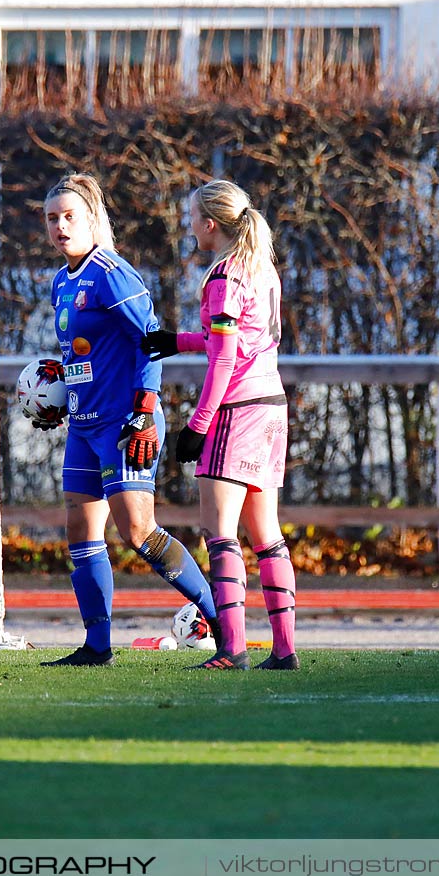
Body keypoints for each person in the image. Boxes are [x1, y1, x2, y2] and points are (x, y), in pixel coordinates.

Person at [36, 173, 220, 667]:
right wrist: (59, 390)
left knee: (138, 532)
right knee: (79, 528)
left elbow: (151, 339)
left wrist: (144, 410)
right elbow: (87, 354)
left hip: (125, 421)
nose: (60, 226)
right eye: (52, 218)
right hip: (83, 425)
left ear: (93, 220)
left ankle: (223, 621)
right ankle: (98, 647)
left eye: (70, 216)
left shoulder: (112, 273)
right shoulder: (62, 281)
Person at [143, 179, 298, 670]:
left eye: (192, 217)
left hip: (238, 411)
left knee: (219, 532)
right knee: (267, 534)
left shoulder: (224, 275)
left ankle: (231, 650)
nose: (189, 225)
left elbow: (227, 358)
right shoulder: (262, 270)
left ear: (210, 224)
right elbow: (231, 339)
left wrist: (199, 422)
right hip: (273, 404)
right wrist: (180, 341)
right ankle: (284, 651)